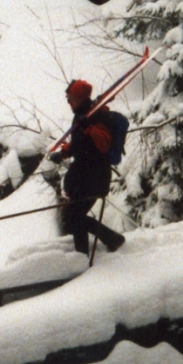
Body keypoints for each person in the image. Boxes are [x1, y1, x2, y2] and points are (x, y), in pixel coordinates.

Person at [50, 79, 126, 255]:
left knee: (74, 217)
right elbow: (80, 144)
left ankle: (105, 243)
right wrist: (63, 153)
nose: (68, 102)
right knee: (73, 218)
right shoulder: (81, 116)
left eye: (70, 98)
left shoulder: (97, 115)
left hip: (95, 177)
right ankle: (89, 251)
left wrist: (90, 127)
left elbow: (104, 144)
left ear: (79, 97)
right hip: (82, 178)